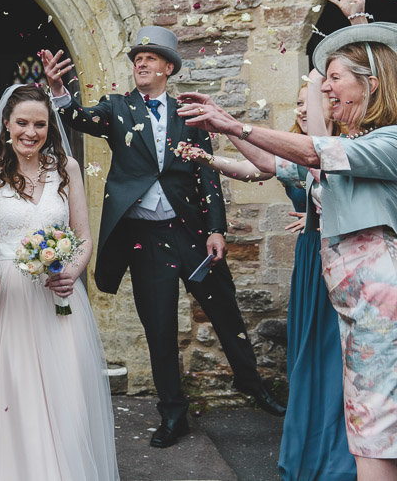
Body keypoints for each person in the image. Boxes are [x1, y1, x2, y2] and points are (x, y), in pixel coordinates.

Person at [42, 25, 285, 449]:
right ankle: (173, 415)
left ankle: (253, 384)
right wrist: (60, 91)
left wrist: (214, 228)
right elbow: (77, 118)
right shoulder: (116, 108)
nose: (142, 61)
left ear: (169, 68)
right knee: (159, 329)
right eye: (138, 57)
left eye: (151, 57)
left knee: (225, 309)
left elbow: (207, 171)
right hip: (144, 239)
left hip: (189, 233)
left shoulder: (190, 116)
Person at [177, 21, 397, 480]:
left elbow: (316, 153)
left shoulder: (390, 141)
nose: (325, 87)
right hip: (353, 308)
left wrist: (234, 123)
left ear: (371, 84)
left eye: (335, 77)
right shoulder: (351, 143)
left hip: (383, 306)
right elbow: (271, 163)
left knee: (374, 428)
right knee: (366, 427)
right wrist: (224, 123)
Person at [179, 83, 356, 479]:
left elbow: (315, 152)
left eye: (310, 101)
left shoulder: (351, 149)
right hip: (314, 260)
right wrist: (216, 138)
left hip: (348, 265)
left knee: (338, 356)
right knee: (311, 355)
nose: (304, 108)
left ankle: (343, 450)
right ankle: (314, 444)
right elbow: (263, 165)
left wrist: (316, 74)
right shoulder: (302, 154)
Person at [0, 84, 119, 480]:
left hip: (59, 297)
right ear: (6, 123)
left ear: (49, 127)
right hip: (8, 301)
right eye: (22, 122)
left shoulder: (67, 169)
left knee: (67, 395)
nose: (31, 131)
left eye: (39, 124)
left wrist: (72, 271)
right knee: (12, 392)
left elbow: (83, 236)